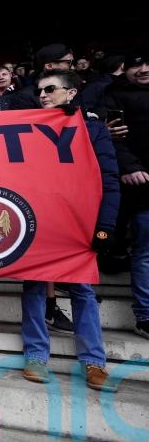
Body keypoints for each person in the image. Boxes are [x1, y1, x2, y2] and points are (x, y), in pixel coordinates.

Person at [21, 70, 119, 392]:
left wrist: (104, 228)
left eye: (51, 89)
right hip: (39, 223)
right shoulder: (26, 130)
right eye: (40, 91)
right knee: (34, 287)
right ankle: (36, 355)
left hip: (78, 224)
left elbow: (109, 180)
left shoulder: (92, 130)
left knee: (82, 290)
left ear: (72, 93)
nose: (44, 95)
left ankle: (94, 362)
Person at [99, 49, 149, 340]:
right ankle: (145, 314)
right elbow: (111, 138)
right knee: (144, 252)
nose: (143, 70)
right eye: (136, 66)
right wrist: (129, 166)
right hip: (141, 185)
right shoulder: (114, 97)